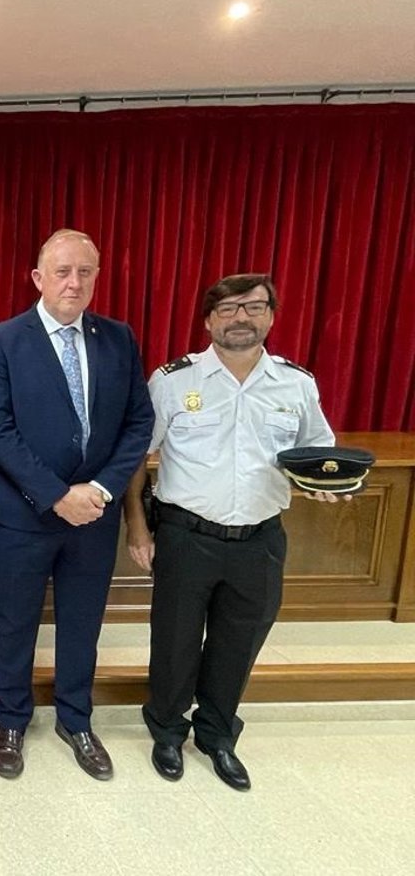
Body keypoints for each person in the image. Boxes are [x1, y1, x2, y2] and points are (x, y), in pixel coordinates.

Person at [124, 274, 338, 791]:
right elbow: (136, 457)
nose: (241, 318)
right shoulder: (172, 381)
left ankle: (217, 735)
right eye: (228, 309)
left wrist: (323, 485)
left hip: (260, 540)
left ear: (271, 316)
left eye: (254, 307)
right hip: (185, 535)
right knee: (174, 640)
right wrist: (137, 528)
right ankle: (167, 731)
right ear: (208, 321)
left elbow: (316, 454)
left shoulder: (296, 384)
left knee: (239, 642)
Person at [0, 228, 153, 781]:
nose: (74, 283)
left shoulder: (118, 338)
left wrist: (99, 491)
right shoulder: (2, 340)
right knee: (16, 621)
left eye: (85, 272)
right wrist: (56, 494)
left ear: (97, 276)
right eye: (62, 272)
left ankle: (76, 720)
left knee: (82, 622)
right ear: (38, 278)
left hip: (94, 515)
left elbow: (138, 423)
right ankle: (11, 720)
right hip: (24, 515)